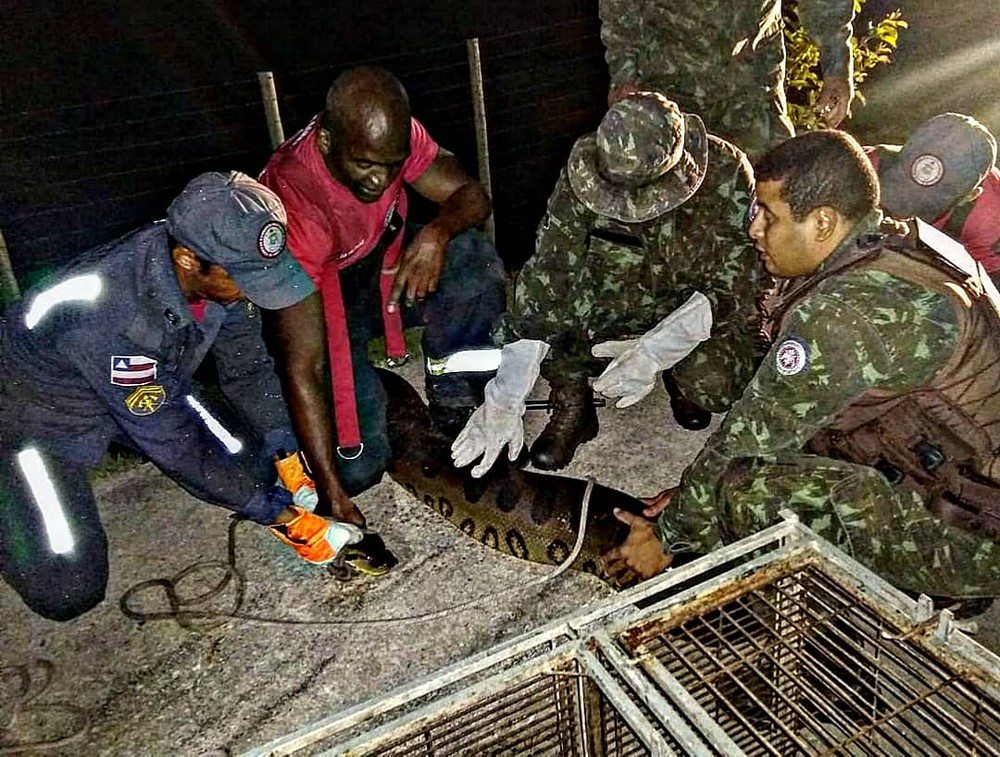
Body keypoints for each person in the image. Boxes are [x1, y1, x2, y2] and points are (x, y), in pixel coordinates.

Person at [605, 130, 1000, 603]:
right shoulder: (891, 241)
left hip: (977, 531)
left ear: (823, 223)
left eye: (767, 216)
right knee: (737, 474)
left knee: (745, 490)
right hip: (952, 476)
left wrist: (669, 536)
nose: (754, 230)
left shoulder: (848, 313)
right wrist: (692, 492)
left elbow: (749, 438)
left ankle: (938, 583)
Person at [0, 171, 364, 622]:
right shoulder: (111, 315)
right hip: (36, 421)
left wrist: (289, 458)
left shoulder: (220, 268)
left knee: (253, 466)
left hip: (146, 382)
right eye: (246, 277)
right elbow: (176, 446)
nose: (256, 289)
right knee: (69, 588)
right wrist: (283, 517)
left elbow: (248, 368)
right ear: (189, 261)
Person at [452, 92, 764, 477]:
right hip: (618, 299)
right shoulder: (583, 170)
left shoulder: (728, 173)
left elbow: (740, 279)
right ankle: (573, 401)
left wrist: (657, 351)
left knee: (716, 383)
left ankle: (679, 379)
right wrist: (506, 395)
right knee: (543, 318)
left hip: (691, 305)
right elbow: (548, 275)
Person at [259, 66, 505, 521]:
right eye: (366, 165)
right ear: (328, 142)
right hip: (318, 303)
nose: (380, 180)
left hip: (377, 272)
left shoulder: (392, 139)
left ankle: (455, 391)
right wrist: (332, 493)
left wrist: (437, 231)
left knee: (472, 258)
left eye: (392, 166)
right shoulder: (294, 201)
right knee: (358, 470)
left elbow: (472, 195)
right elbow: (302, 365)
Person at [599, 0, 856, 158]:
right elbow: (619, 9)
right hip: (670, 86)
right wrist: (625, 76)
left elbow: (826, 4)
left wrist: (836, 67)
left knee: (773, 193)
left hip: (753, 82)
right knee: (676, 208)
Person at [867, 112, 1000, 279]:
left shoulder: (990, 221)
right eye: (900, 183)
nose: (895, 216)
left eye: (920, 205)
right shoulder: (862, 167)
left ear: (970, 196)